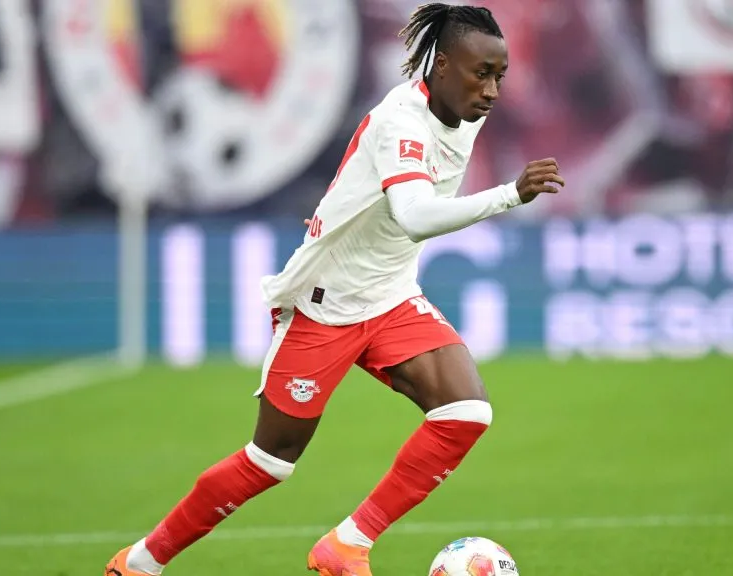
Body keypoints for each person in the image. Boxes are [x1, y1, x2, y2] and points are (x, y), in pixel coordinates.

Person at [105, 4, 564, 575]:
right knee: (270, 461)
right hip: (325, 305)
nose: (493, 90)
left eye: (500, 74)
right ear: (441, 66)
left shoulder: (466, 109)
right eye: (481, 73)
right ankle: (139, 563)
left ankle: (346, 545)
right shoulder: (402, 120)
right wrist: (508, 195)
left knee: (466, 410)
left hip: (390, 295)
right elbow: (416, 215)